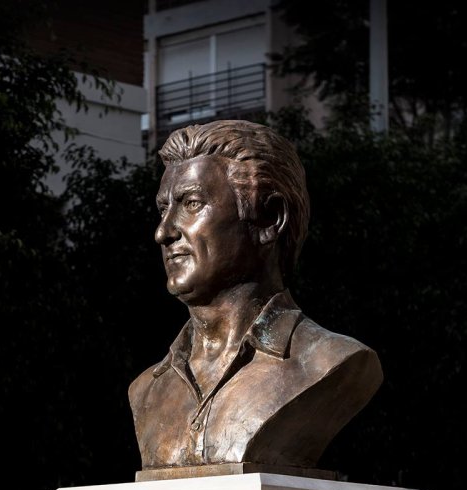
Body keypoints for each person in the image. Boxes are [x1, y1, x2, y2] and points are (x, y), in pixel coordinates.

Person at [128, 119, 382, 472]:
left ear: (270, 218)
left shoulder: (329, 363)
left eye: (192, 203)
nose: (163, 232)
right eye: (162, 209)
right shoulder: (146, 390)